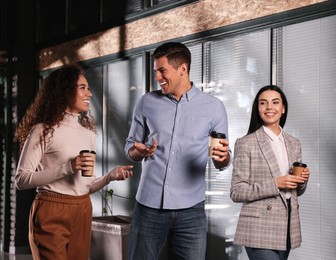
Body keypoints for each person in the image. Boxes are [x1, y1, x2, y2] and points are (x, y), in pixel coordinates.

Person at [124, 42, 231, 259]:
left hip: (191, 211)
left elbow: (222, 160)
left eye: (162, 70)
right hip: (149, 207)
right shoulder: (147, 102)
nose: (158, 77)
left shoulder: (213, 107)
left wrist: (223, 157)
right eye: (155, 71)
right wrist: (139, 151)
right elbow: (130, 147)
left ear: (183, 68)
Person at [14, 64, 133, 260]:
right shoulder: (42, 130)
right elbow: (21, 179)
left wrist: (110, 176)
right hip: (51, 210)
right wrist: (68, 167)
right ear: (64, 91)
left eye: (88, 87)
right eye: (82, 88)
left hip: (82, 209)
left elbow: (84, 186)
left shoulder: (88, 134)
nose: (90, 93)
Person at [230, 85, 310, 260]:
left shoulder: (294, 143)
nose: (269, 108)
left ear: (283, 109)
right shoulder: (246, 143)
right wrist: (275, 184)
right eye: (263, 103)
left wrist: (302, 181)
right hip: (258, 227)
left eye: (275, 102)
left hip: (287, 224)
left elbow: (296, 192)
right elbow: (236, 191)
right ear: (257, 109)